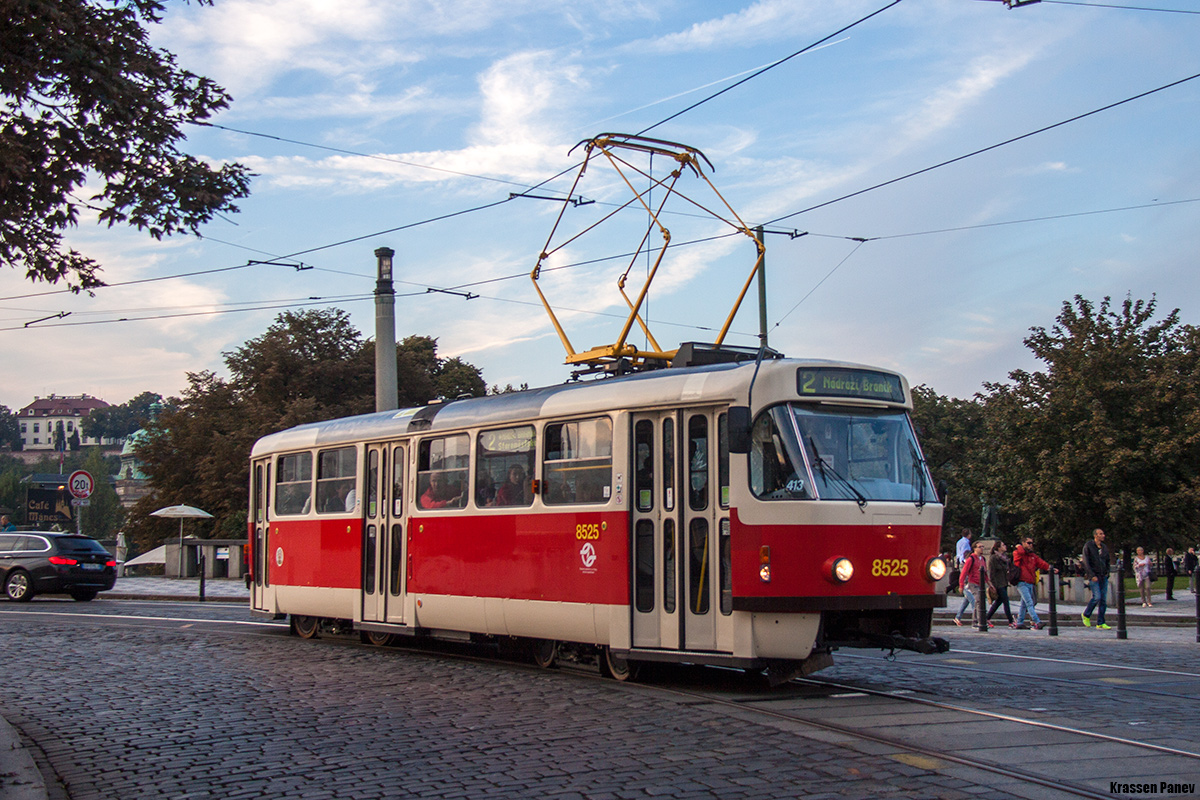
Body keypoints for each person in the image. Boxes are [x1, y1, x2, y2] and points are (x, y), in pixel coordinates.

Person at [1012, 536, 1052, 629]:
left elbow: (1041, 563)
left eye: (1032, 543)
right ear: (1023, 543)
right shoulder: (1018, 553)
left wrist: (1050, 568)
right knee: (1029, 603)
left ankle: (1019, 622)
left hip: (1030, 582)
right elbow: (1021, 552)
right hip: (1022, 582)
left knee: (1024, 604)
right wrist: (1019, 547)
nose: (1031, 545)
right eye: (1028, 543)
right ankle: (1037, 621)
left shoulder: (1032, 556)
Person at [1081, 528, 1111, 629]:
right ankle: (1086, 614)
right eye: (1100, 534)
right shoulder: (1089, 546)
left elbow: (1107, 560)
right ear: (1095, 535)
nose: (1103, 535)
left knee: (1103, 599)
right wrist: (1091, 575)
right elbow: (1086, 561)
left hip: (1103, 575)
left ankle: (1101, 622)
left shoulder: (1104, 547)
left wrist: (1107, 572)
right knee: (1097, 597)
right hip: (1094, 575)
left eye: (1103, 533)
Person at [954, 541, 988, 628]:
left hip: (981, 584)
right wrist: (961, 585)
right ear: (975, 548)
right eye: (980, 546)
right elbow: (964, 573)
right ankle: (977, 621)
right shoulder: (971, 559)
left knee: (972, 601)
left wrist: (989, 583)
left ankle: (962, 618)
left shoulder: (983, 559)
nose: (982, 548)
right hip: (973, 583)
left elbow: (985, 573)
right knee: (978, 601)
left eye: (982, 546)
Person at [986, 540, 1015, 626]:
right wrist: (993, 585)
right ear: (998, 548)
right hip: (998, 584)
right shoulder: (994, 558)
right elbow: (992, 573)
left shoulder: (1004, 558)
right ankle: (1011, 621)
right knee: (1006, 601)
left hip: (1004, 582)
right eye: (1003, 545)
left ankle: (987, 617)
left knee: (999, 601)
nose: (1005, 546)